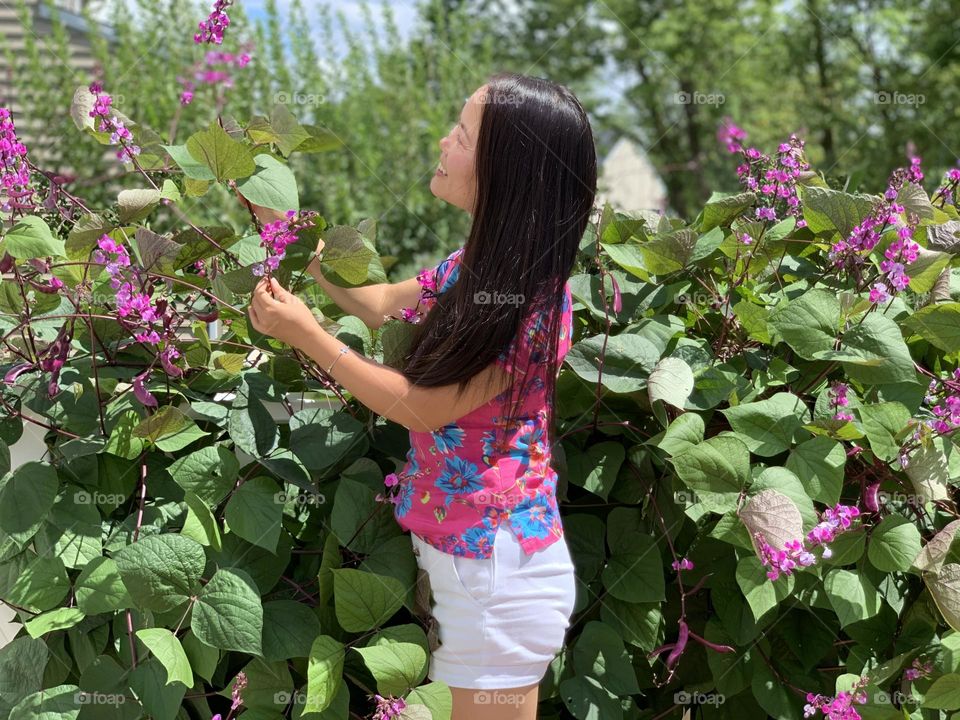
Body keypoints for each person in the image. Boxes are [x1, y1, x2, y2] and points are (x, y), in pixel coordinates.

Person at [246, 71, 597, 720]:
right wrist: (289, 230)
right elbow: (377, 305)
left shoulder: (534, 304)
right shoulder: (472, 270)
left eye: (461, 134)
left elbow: (420, 406)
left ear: (505, 173)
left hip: (501, 579)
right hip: (475, 571)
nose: (443, 140)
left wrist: (308, 335)